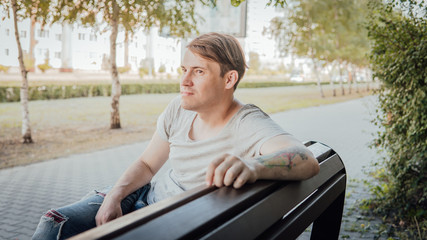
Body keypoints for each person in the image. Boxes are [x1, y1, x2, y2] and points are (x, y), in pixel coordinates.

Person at [32, 32, 320, 240]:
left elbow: (307, 159)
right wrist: (117, 194)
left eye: (198, 71)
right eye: (184, 70)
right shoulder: (178, 109)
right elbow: (147, 165)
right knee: (53, 223)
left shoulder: (246, 121)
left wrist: (254, 166)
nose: (184, 81)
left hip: (173, 217)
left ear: (229, 79)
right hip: (141, 197)